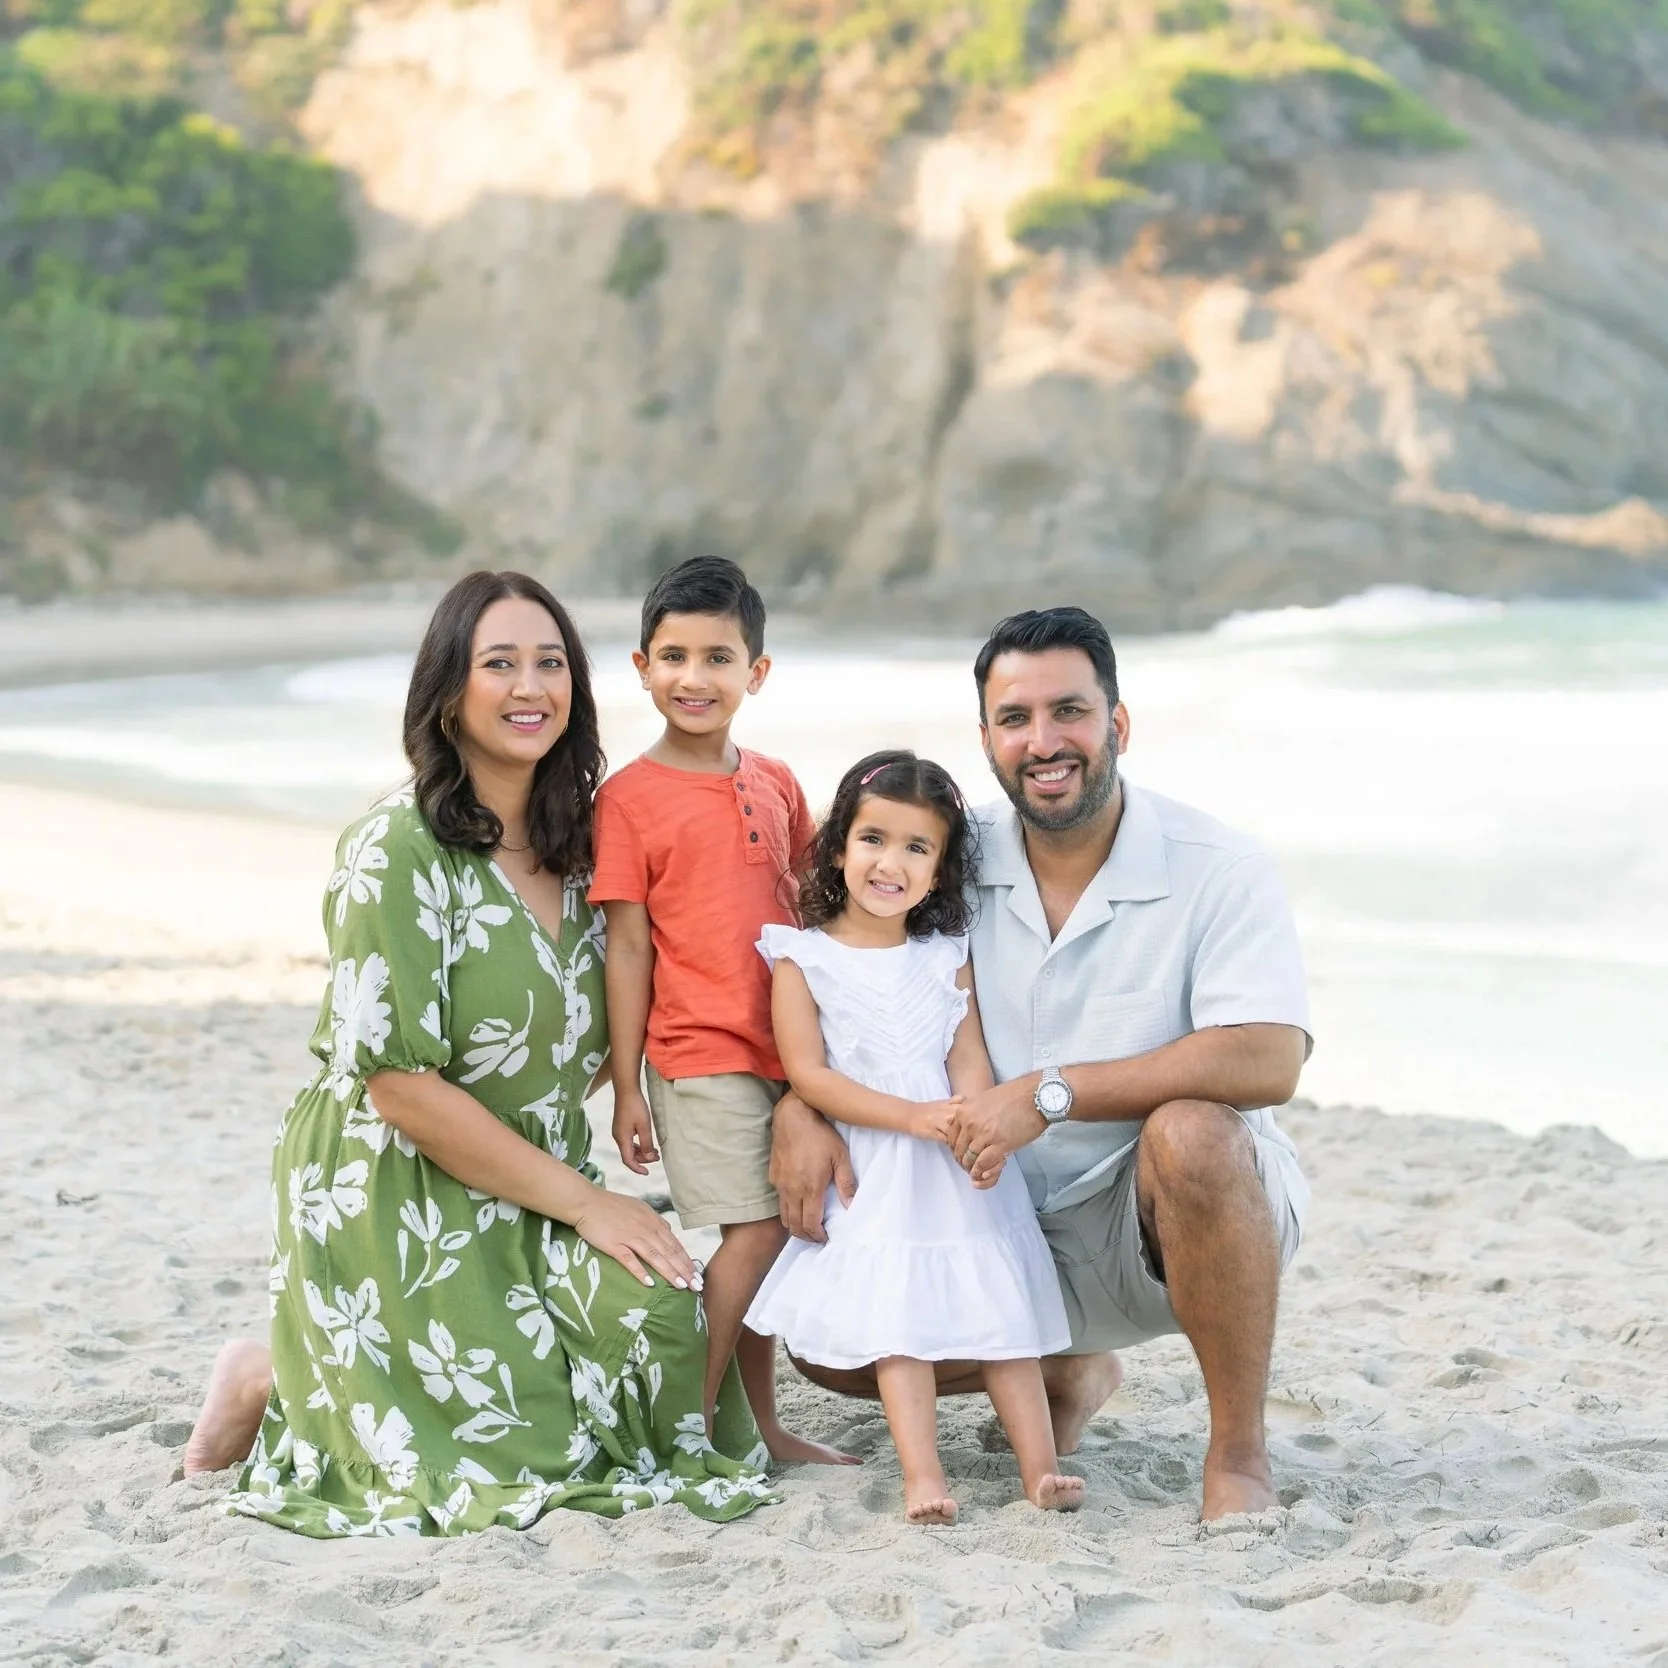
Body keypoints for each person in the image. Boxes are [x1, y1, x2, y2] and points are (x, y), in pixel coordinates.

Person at [184, 570, 775, 1534]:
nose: (529, 686)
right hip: (399, 1175)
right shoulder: (395, 848)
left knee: (663, 1325)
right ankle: (271, 1377)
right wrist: (590, 1203)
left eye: (551, 663)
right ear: (448, 689)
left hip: (533, 1169)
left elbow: (651, 990)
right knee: (513, 1442)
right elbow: (399, 1087)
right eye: (498, 663)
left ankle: (301, 1365)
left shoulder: (589, 845)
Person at [769, 606, 1312, 1523]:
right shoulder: (940, 853)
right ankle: (1069, 1366)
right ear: (985, 736)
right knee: (830, 1348)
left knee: (1195, 1132)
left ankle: (1239, 1453)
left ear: (1118, 725)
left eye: (1070, 712)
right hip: (987, 1197)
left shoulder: (1218, 865)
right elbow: (837, 968)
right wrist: (798, 1103)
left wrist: (1050, 1095)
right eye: (1015, 719)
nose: (1044, 742)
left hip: (1158, 1217)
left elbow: (1268, 1058)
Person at [748, 750, 1083, 1524]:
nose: (889, 863)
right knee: (901, 1330)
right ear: (838, 847)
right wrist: (910, 1119)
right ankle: (921, 1476)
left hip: (952, 1165)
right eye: (873, 839)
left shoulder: (944, 956)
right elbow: (811, 1077)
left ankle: (1041, 1470)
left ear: (939, 871)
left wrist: (978, 1130)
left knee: (1005, 1323)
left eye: (915, 847)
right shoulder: (803, 957)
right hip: (880, 1166)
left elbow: (967, 1058)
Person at [590, 557, 855, 1466]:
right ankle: (687, 1429)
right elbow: (627, 948)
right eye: (673, 657)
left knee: (776, 1227)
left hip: (786, 1048)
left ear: (757, 672)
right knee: (760, 1228)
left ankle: (758, 1425)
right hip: (696, 1051)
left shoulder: (777, 780)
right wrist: (627, 1087)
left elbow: (816, 907)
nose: (693, 678)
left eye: (717, 657)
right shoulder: (626, 799)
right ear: (640, 666)